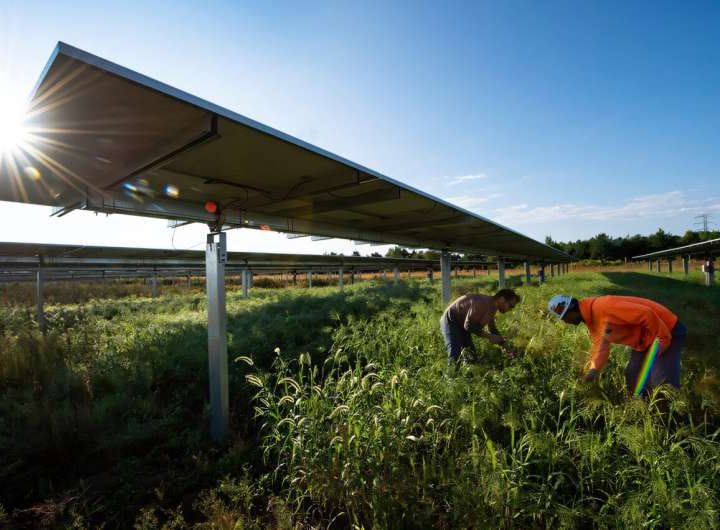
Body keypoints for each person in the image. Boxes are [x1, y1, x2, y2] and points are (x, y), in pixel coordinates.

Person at [547, 294, 686, 393]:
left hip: (667, 330)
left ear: (571, 308)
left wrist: (663, 339)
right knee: (633, 377)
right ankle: (643, 412)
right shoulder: (592, 321)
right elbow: (600, 348)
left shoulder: (604, 306)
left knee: (661, 383)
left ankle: (671, 422)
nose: (565, 321)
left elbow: (646, 313)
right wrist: (593, 371)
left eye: (564, 317)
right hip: (645, 341)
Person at [440, 289, 520, 364]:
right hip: (451, 320)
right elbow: (468, 325)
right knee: (455, 355)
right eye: (510, 306)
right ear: (502, 299)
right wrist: (489, 336)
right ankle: (450, 375)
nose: (510, 309)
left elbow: (492, 329)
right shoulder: (483, 303)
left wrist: (507, 348)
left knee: (471, 356)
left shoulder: (493, 308)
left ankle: (467, 376)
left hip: (462, 324)